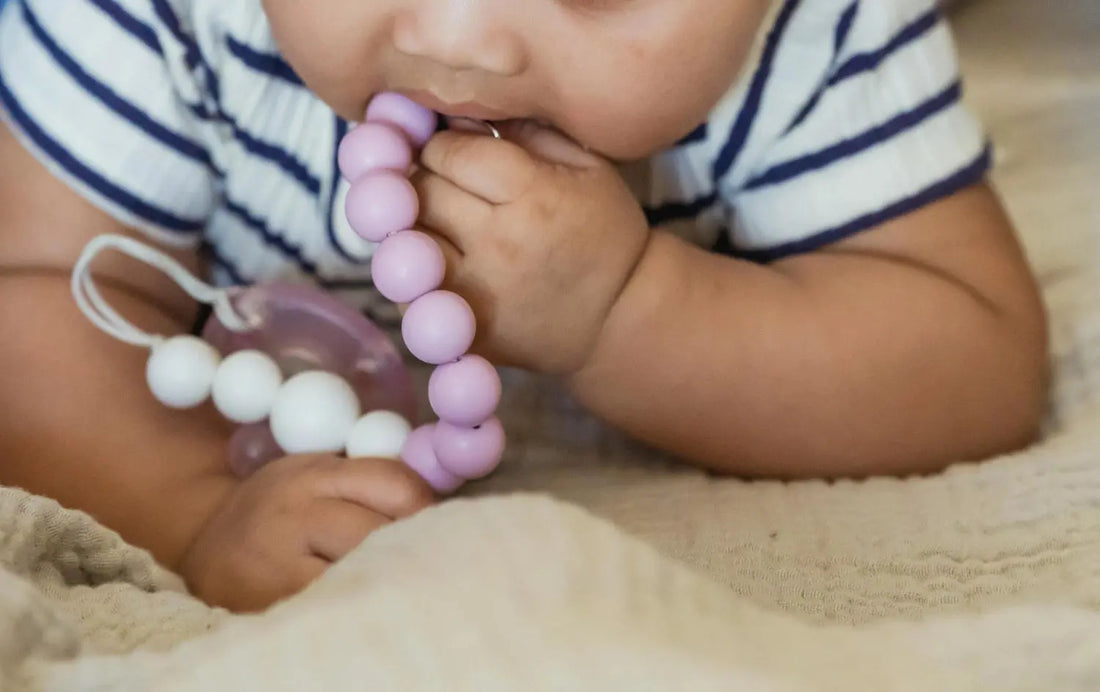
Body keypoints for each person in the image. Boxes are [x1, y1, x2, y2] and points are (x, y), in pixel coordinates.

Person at [0, 0, 1047, 611]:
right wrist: (192, 512)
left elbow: (970, 355)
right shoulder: (159, 19)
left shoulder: (811, 33)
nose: (462, 39)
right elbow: (40, 304)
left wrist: (633, 312)